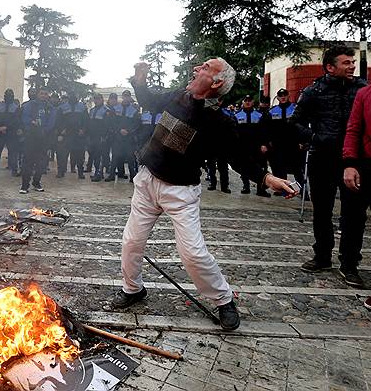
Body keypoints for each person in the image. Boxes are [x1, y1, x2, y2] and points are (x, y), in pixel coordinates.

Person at [107, 60, 296, 331]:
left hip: (180, 192)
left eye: (205, 68)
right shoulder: (177, 95)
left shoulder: (219, 122)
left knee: (193, 253)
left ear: (216, 83)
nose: (196, 68)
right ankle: (133, 289)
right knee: (131, 242)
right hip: (147, 181)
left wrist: (266, 178)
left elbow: (238, 158)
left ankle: (223, 299)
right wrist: (139, 79)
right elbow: (148, 101)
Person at [290, 45, 366, 285]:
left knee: (354, 214)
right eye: (346, 63)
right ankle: (322, 255)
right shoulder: (313, 91)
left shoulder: (363, 90)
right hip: (323, 158)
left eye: (352, 62)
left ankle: (350, 263)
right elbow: (295, 123)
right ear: (330, 67)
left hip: (354, 161)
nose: (352, 66)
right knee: (322, 211)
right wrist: (315, 138)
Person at [342, 57, 371, 310]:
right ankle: (349, 264)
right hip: (370, 168)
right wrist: (350, 163)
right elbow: (354, 129)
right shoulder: (366, 94)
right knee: (360, 222)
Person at [265, 88, 305, 195]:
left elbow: (302, 126)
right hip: (278, 144)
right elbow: (268, 128)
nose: (283, 97)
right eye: (280, 96)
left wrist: (302, 141)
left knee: (297, 169)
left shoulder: (295, 109)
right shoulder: (272, 111)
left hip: (293, 143)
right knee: (279, 167)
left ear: (288, 96)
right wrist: (269, 141)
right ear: (277, 97)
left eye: (285, 95)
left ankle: (303, 191)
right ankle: (283, 189)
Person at [19, 87, 56, 194]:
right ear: (38, 94)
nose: (43, 96)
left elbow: (52, 123)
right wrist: (32, 123)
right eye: (41, 93)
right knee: (27, 162)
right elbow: (24, 118)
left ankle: (36, 182)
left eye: (45, 94)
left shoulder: (51, 108)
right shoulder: (29, 105)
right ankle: (24, 185)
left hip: (44, 138)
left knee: (41, 163)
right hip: (30, 137)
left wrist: (43, 130)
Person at [234, 95, 270, 197]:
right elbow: (235, 132)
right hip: (243, 146)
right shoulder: (237, 115)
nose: (248, 103)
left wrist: (264, 144)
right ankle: (246, 186)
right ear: (243, 102)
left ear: (253, 102)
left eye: (250, 101)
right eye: (246, 101)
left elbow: (264, 131)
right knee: (244, 166)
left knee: (261, 167)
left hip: (257, 146)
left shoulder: (259, 115)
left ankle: (261, 189)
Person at [55, 92, 88, 179]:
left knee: (80, 155)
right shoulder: (62, 107)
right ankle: (61, 172)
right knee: (62, 154)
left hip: (78, 134)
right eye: (71, 95)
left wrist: (83, 130)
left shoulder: (82, 107)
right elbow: (58, 121)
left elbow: (86, 120)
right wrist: (61, 131)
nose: (73, 97)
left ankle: (80, 173)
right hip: (66, 134)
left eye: (75, 95)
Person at [0, 88, 21, 176]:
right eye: (6, 95)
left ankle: (14, 170)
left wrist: (6, 127)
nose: (8, 97)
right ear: (4, 96)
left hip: (11, 132)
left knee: (13, 152)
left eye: (10, 96)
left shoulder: (16, 107)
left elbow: (16, 120)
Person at [206, 96, 232, 193]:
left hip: (222, 144)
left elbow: (230, 129)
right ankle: (212, 183)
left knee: (223, 167)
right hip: (210, 144)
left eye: (219, 100)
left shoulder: (226, 113)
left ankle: (224, 186)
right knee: (211, 166)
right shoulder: (206, 112)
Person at [87, 94, 109, 182]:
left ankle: (99, 173)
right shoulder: (92, 110)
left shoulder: (106, 111)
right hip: (92, 136)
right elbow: (89, 124)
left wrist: (104, 137)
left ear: (102, 100)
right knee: (94, 155)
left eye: (98, 99)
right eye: (95, 99)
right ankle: (97, 172)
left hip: (101, 137)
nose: (96, 101)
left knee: (100, 156)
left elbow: (107, 126)